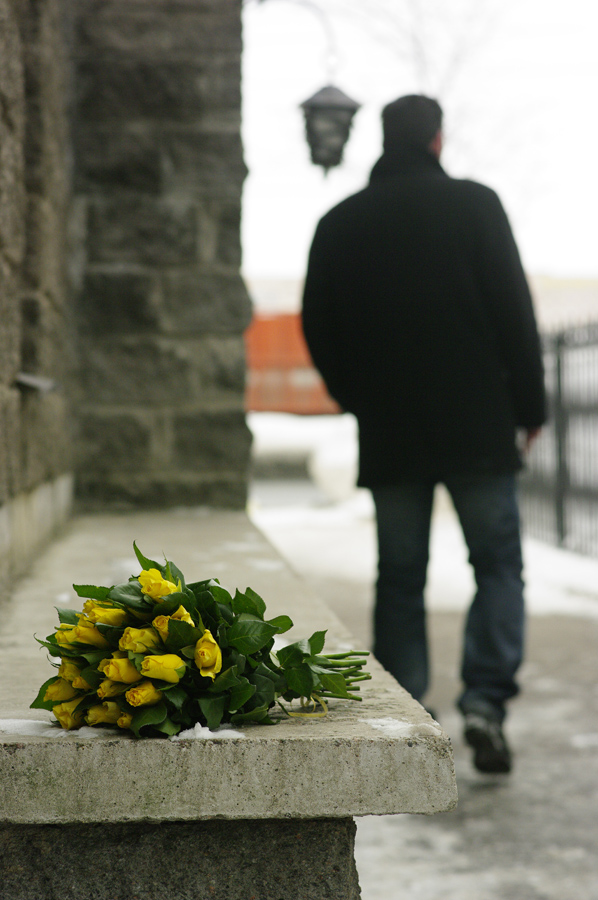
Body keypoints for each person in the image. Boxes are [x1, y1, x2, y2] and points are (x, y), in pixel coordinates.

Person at [301, 94, 547, 774]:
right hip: (478, 423)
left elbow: (317, 322)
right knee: (497, 565)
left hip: (392, 428)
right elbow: (512, 310)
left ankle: (409, 715)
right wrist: (529, 407)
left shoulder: (341, 221)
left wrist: (358, 396)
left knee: (401, 574)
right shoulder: (476, 206)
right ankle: (486, 702)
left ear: (382, 139)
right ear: (437, 140)